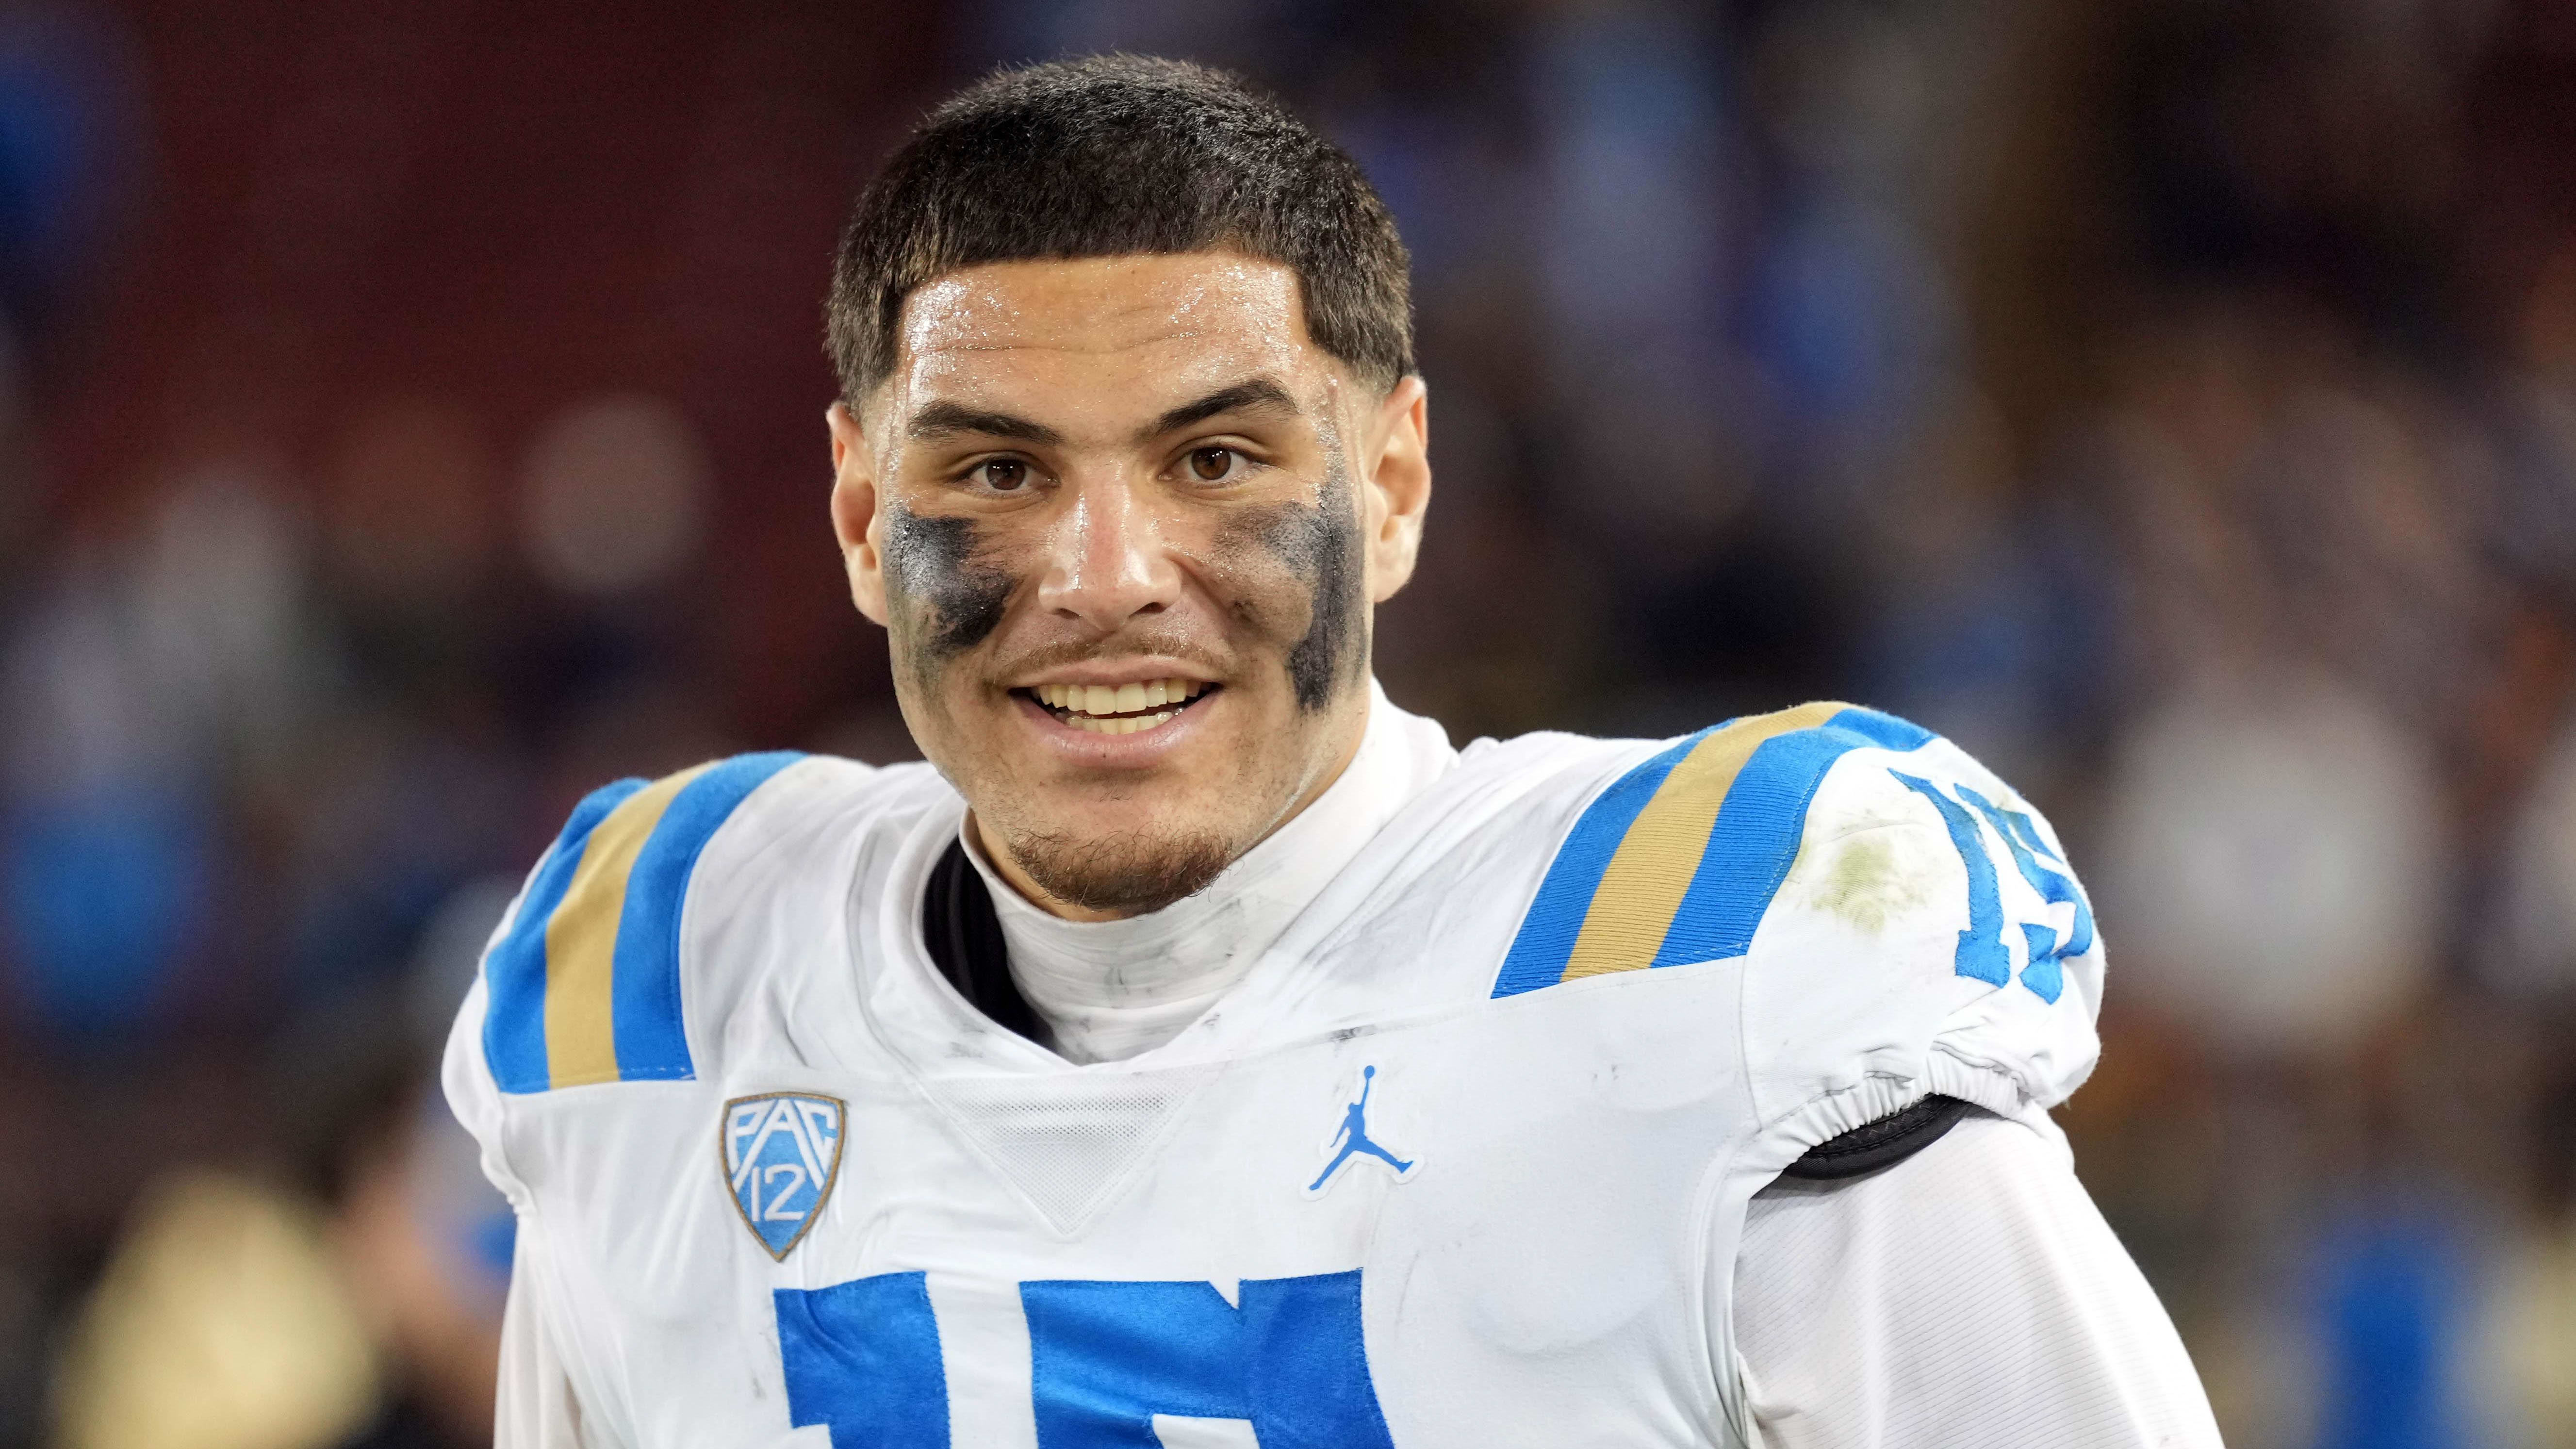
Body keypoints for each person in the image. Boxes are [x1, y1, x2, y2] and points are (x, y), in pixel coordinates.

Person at [444, 55, 2222, 1448]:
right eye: (995, 472)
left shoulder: (1722, 964)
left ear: (1390, 487)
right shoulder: (671, 979)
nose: (1105, 579)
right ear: (855, 512)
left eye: (1215, 462)